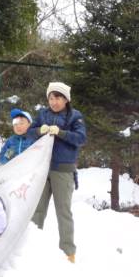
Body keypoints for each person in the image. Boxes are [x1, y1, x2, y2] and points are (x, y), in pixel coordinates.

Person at [27, 82, 86, 263]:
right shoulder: (43, 114)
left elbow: (80, 138)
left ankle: (68, 252)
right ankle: (30, 247)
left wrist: (61, 133)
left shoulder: (75, 116)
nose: (54, 102)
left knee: (63, 212)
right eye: (51, 98)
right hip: (42, 170)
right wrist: (38, 130)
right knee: (37, 210)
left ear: (66, 99)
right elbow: (29, 133)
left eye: (58, 98)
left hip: (63, 171)